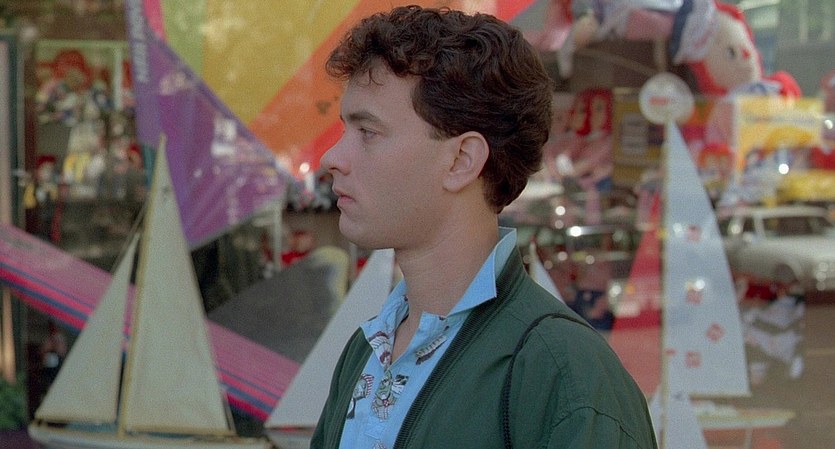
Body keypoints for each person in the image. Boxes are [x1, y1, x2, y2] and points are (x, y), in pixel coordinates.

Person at [312, 6, 657, 449]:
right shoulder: (366, 352)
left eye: (368, 132)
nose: (333, 158)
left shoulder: (564, 374)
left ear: (461, 160)